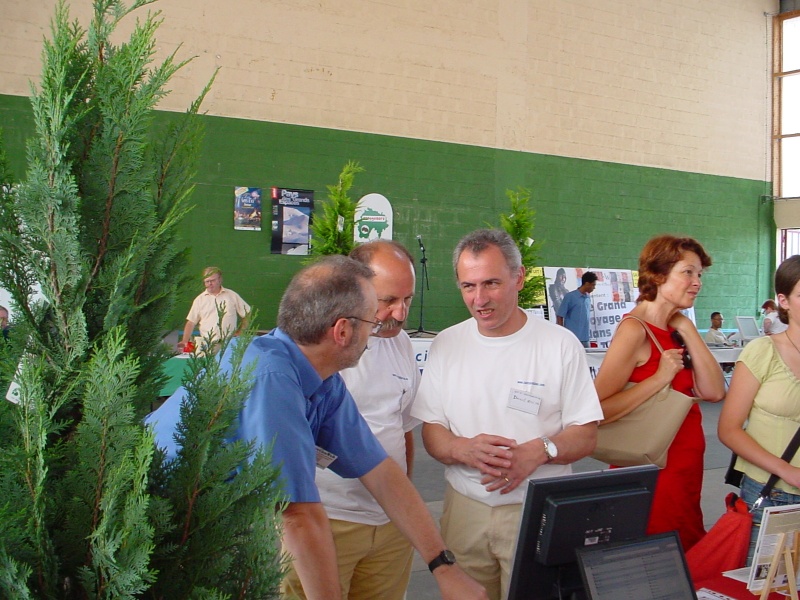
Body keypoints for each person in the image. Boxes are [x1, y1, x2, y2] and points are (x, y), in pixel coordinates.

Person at [149, 255, 487, 600]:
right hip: (153, 539)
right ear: (342, 331)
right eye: (372, 320)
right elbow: (297, 515)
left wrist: (445, 568)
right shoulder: (271, 375)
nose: (376, 331)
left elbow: (382, 474)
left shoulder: (322, 381)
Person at [411, 229, 603, 600]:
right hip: (465, 509)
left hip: (537, 511)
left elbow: (586, 434)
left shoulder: (559, 345)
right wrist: (462, 450)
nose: (479, 299)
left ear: (518, 278)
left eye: (491, 283)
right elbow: (432, 430)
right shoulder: (447, 344)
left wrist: (539, 451)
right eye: (468, 286)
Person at [282, 241, 420, 600]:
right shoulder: (319, 351)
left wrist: (403, 507)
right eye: (389, 300)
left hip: (389, 526)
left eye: (408, 299)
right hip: (329, 520)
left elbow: (403, 431)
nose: (400, 313)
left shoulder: (402, 345)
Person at [593, 235, 726, 552]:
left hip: (684, 469)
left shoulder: (675, 329)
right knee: (660, 556)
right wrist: (658, 379)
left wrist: (688, 329)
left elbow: (714, 391)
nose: (696, 283)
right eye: (688, 272)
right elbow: (595, 409)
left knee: (684, 550)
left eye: (699, 275)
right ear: (658, 274)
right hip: (653, 473)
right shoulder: (634, 330)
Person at [718, 256, 800, 563]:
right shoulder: (762, 351)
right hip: (771, 493)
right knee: (765, 586)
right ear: (784, 301)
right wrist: (786, 470)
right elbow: (728, 428)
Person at [179, 267, 250, 351]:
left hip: (230, 344)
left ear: (220, 280)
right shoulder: (199, 300)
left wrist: (242, 331)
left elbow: (248, 313)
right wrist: (184, 341)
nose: (209, 283)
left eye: (212, 280)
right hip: (207, 345)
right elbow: (191, 322)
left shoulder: (232, 296)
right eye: (207, 281)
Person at [556, 271, 598, 347]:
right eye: (593, 285)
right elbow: (560, 316)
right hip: (573, 339)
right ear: (587, 284)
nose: (594, 288)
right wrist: (562, 334)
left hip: (585, 339)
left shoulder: (588, 297)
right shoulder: (570, 297)